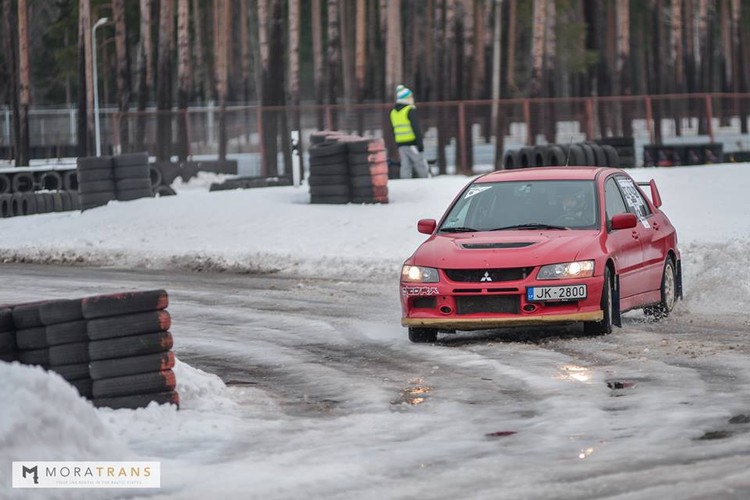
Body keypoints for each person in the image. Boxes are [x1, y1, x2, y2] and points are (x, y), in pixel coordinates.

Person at [389, 85, 430, 179]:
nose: (412, 98)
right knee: (420, 163)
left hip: (400, 143)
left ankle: (405, 183)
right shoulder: (410, 110)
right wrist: (420, 144)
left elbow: (393, 129)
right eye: (410, 97)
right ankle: (426, 181)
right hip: (412, 143)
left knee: (405, 165)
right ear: (406, 98)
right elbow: (416, 128)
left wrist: (397, 143)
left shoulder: (393, 112)